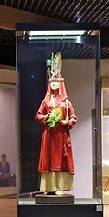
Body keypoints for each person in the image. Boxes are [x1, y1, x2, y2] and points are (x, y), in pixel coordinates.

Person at [35, 52, 77, 195]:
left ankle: (59, 187)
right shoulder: (45, 102)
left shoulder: (66, 103)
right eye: (52, 82)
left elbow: (73, 118)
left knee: (60, 159)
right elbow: (38, 115)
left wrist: (66, 122)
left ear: (60, 84)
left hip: (61, 135)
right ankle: (48, 187)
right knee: (48, 158)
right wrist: (47, 117)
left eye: (56, 82)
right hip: (49, 134)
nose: (54, 84)